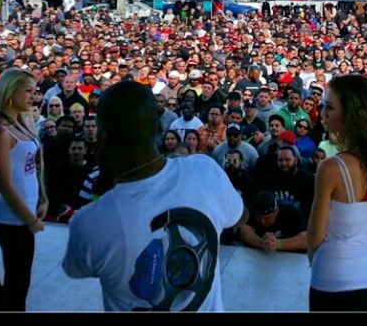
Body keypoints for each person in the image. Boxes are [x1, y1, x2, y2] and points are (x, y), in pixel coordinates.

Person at [62, 81, 245, 312]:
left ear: (104, 138)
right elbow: (239, 215)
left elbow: (75, 269)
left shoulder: (89, 223)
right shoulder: (205, 171)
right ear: (159, 129)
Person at [307, 75, 367, 312]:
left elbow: (315, 235)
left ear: (352, 116)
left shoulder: (331, 168)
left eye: (330, 107)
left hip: (333, 280)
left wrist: (316, 260)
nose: (323, 113)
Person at [0, 67, 48, 311]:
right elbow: (4, 184)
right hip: (12, 220)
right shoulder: (0, 131)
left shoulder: (21, 123)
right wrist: (30, 219)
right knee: (16, 286)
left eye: (35, 91)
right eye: (28, 91)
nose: (33, 96)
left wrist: (43, 199)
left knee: (21, 283)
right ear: (11, 92)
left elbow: (33, 169)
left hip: (24, 215)